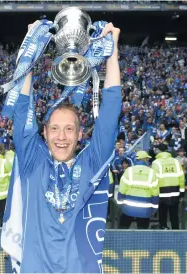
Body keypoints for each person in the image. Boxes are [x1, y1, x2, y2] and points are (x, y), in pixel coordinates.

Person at [6, 22, 121, 273]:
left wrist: (112, 51)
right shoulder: (32, 162)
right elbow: (22, 107)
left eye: (69, 129)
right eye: (55, 129)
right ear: (44, 133)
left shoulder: (90, 165)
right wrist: (30, 45)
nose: (61, 137)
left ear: (80, 134)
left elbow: (110, 113)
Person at [117, 151, 159, 229]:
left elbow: (122, 190)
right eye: (147, 158)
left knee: (122, 232)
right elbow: (155, 194)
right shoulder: (152, 172)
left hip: (128, 208)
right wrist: (154, 209)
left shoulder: (128, 171)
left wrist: (120, 204)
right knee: (142, 235)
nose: (148, 160)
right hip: (145, 209)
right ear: (144, 159)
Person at [151, 143, 185, 230]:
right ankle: (176, 232)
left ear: (158, 151)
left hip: (162, 193)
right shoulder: (176, 161)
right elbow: (181, 177)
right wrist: (182, 192)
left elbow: (154, 179)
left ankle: (163, 229)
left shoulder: (156, 163)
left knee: (162, 215)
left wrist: (154, 193)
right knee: (174, 215)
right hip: (175, 192)